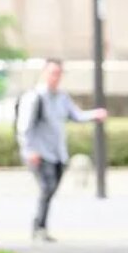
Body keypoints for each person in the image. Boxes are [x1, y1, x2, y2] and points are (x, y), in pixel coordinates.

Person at [16, 59, 107, 241]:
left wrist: (95, 115)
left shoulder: (62, 97)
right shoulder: (35, 97)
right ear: (44, 73)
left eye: (58, 73)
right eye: (52, 73)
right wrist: (29, 150)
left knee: (51, 189)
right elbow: (24, 127)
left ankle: (39, 225)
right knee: (46, 187)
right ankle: (39, 227)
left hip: (57, 153)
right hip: (39, 153)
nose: (55, 77)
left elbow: (76, 115)